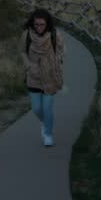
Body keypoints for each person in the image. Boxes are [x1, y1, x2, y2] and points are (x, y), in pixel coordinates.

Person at [21, 8, 65, 147]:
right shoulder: (27, 35)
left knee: (47, 108)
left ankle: (47, 134)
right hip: (33, 76)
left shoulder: (55, 35)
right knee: (36, 109)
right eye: (36, 24)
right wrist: (28, 66)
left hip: (50, 76)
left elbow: (61, 53)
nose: (39, 27)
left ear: (47, 24)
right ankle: (45, 122)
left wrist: (54, 65)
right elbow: (22, 51)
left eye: (42, 24)